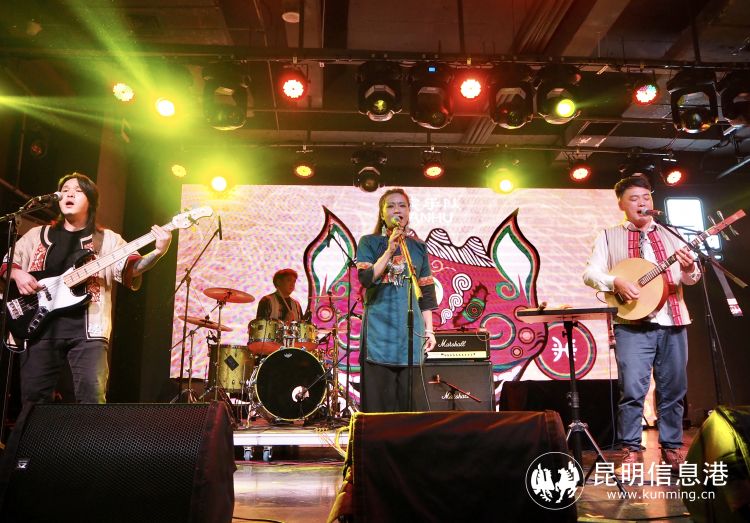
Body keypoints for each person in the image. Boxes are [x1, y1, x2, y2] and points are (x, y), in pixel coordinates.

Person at [1, 172, 172, 404]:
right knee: (33, 401)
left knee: (92, 398)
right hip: (39, 327)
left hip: (89, 331)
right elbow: (8, 263)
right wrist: (18, 274)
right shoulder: (37, 235)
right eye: (65, 190)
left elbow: (133, 268)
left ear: (91, 201)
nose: (69, 194)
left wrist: (158, 251)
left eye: (78, 191)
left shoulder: (107, 239)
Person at [583, 174, 701, 472]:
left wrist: (690, 268)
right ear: (621, 204)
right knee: (633, 390)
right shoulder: (609, 236)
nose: (641, 203)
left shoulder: (673, 234)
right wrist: (616, 281)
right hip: (631, 324)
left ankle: (672, 448)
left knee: (674, 389)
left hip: (673, 319)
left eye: (646, 197)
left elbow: (691, 278)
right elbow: (590, 274)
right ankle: (631, 449)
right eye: (634, 198)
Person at [356, 188, 437, 412]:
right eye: (390, 206)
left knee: (411, 405)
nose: (397, 210)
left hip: (411, 332)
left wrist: (430, 330)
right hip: (379, 332)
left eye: (402, 205)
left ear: (408, 212)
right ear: (382, 213)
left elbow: (426, 292)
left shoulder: (418, 247)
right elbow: (366, 279)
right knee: (380, 405)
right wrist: (389, 250)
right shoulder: (369, 242)